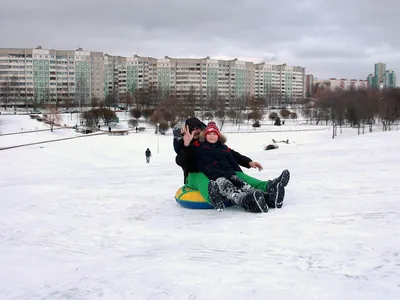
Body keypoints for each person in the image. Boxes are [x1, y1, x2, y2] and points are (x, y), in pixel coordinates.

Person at [173, 117, 290, 210]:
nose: (197, 131)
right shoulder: (187, 144)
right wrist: (185, 142)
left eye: (199, 128)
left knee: (238, 176)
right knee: (202, 178)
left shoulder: (208, 142)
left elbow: (232, 154)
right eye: (193, 129)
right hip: (194, 174)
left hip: (217, 172)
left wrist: (248, 162)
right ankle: (216, 196)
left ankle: (269, 187)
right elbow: (180, 158)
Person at [182, 122, 268, 213]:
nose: (212, 136)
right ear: (205, 135)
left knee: (243, 184)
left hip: (227, 173)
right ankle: (247, 202)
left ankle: (266, 197)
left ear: (218, 136)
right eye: (209, 134)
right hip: (213, 176)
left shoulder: (222, 148)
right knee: (228, 187)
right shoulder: (198, 147)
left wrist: (245, 165)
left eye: (214, 134)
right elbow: (183, 159)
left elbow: (234, 158)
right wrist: (186, 144)